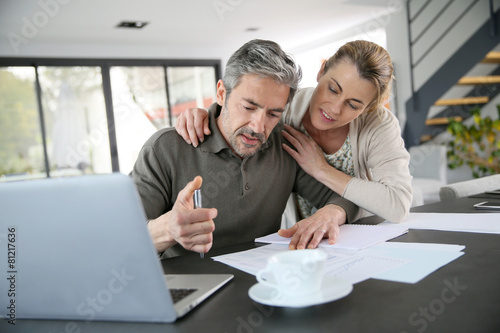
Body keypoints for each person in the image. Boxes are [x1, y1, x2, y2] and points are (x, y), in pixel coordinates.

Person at [130, 39, 359, 258]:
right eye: (249, 107)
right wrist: (167, 229)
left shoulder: (284, 145)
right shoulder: (165, 149)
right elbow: (121, 239)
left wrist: (332, 214)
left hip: (263, 281)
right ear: (221, 93)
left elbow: (343, 197)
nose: (258, 127)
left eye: (273, 114)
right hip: (188, 288)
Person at [175, 40, 412, 224]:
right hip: (304, 235)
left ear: (368, 108)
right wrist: (207, 114)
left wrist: (321, 169)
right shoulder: (285, 108)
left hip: (362, 232)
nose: (334, 108)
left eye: (353, 105)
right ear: (321, 71)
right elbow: (245, 109)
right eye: (332, 89)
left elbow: (397, 205)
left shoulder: (378, 124)